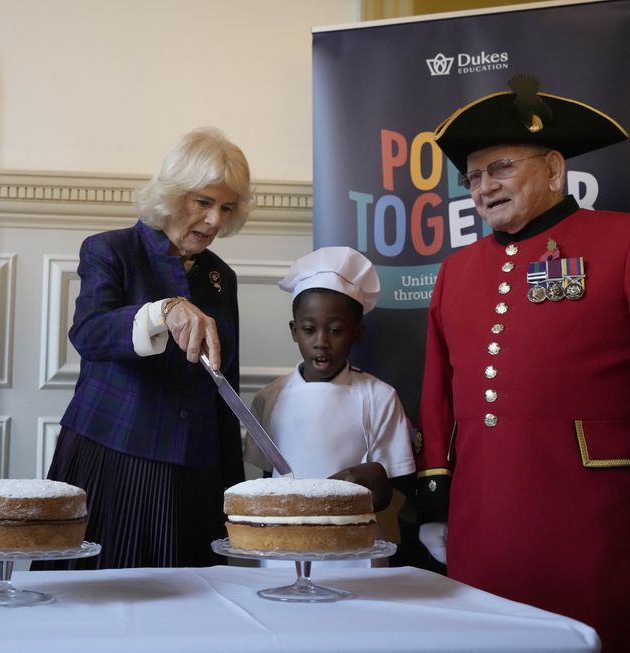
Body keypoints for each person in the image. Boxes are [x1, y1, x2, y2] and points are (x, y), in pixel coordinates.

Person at [416, 73, 629, 650]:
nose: (484, 187)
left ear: (555, 169)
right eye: (474, 176)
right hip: (483, 508)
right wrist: (437, 477)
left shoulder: (622, 241)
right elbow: (438, 385)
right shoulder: (455, 271)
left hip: (596, 508)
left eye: (501, 168)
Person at [41, 127, 251, 569]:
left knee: (189, 613)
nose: (215, 220)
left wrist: (234, 492)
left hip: (196, 472)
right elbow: (90, 333)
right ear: (173, 193)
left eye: (226, 208)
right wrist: (162, 311)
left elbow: (223, 387)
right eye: (204, 202)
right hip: (115, 457)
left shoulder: (220, 277)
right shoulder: (111, 251)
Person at [245, 247, 416, 567]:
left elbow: (395, 491)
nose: (321, 341)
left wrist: (377, 479)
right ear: (294, 331)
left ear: (357, 332)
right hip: (283, 550)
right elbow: (268, 479)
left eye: (336, 330)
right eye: (309, 329)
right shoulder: (269, 399)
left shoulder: (379, 397)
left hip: (357, 552)